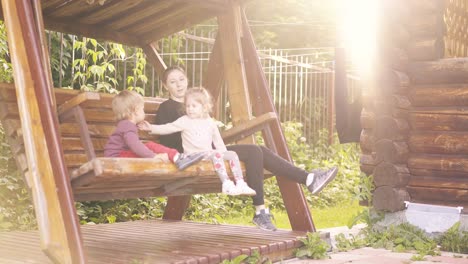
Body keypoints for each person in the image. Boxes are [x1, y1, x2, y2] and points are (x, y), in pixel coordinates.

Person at [155, 66, 338, 231]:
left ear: (187, 80)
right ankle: (263, 209)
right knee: (255, 153)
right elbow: (167, 141)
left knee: (257, 150)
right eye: (172, 81)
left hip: (213, 151)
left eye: (181, 79)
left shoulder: (195, 104)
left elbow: (211, 133)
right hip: (194, 156)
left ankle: (307, 179)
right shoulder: (167, 108)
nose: (178, 85)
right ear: (165, 86)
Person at [139, 87, 257, 196]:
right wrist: (151, 128)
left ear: (204, 107)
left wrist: (223, 155)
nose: (190, 109)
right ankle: (226, 183)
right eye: (188, 106)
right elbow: (167, 128)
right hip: (192, 156)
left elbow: (218, 142)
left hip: (208, 155)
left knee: (232, 154)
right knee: (215, 153)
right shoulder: (184, 121)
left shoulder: (209, 122)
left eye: (194, 106)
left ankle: (240, 183)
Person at [104, 90, 204, 170]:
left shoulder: (125, 125)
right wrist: (153, 156)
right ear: (136, 110)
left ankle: (177, 157)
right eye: (142, 109)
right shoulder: (128, 126)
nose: (144, 112)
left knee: (149, 145)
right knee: (149, 145)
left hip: (117, 157)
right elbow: (135, 145)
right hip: (117, 158)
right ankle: (177, 157)